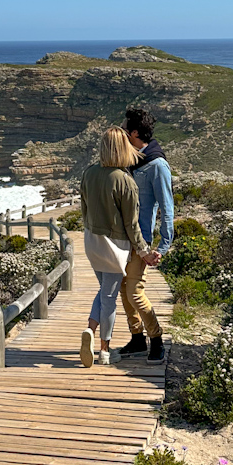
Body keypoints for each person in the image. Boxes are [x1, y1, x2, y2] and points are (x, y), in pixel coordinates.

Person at [79, 126, 161, 367]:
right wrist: (145, 252)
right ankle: (104, 351)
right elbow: (131, 225)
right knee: (109, 297)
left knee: (104, 290)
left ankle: (90, 330)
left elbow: (83, 211)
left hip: (91, 241)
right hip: (114, 246)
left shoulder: (89, 173)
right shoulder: (124, 180)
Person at [118, 107, 174, 365]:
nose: (125, 135)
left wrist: (162, 247)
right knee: (123, 290)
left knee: (135, 292)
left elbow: (167, 207)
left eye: (127, 131)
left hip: (141, 240)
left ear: (136, 133)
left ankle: (157, 339)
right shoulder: (133, 160)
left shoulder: (157, 164)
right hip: (122, 237)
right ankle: (137, 337)